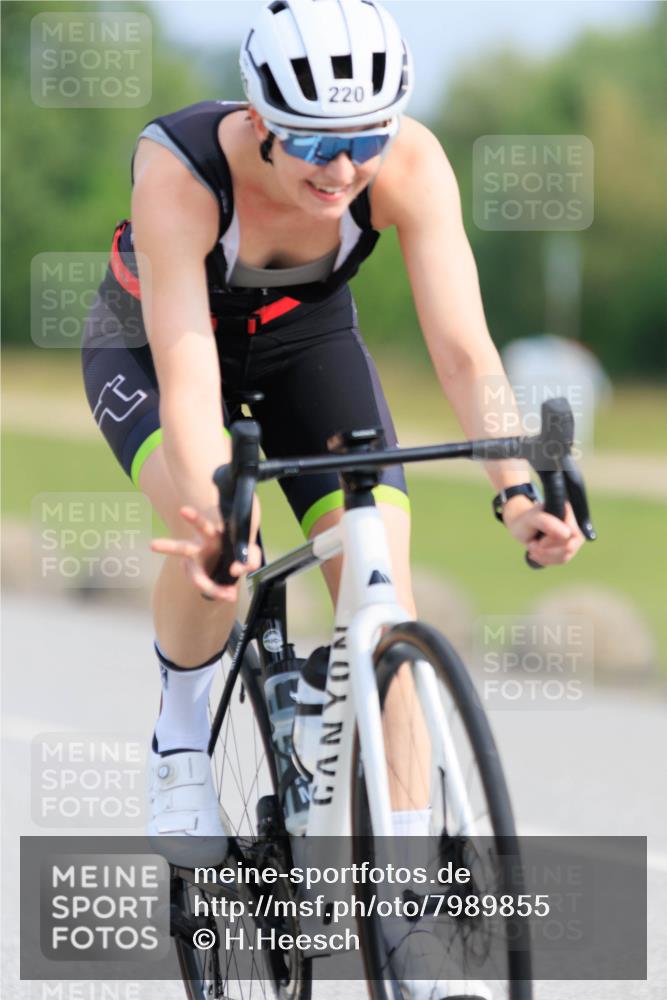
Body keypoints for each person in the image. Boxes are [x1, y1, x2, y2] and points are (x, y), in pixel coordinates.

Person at [81, 1, 584, 995]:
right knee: (216, 537)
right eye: (315, 142)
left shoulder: (409, 163)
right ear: (259, 119)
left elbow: (462, 349)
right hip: (158, 346)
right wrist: (222, 511)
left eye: (364, 139)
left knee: (381, 584)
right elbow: (188, 377)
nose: (343, 168)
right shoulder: (180, 170)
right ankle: (180, 733)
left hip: (307, 346)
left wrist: (518, 489)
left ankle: (410, 934)